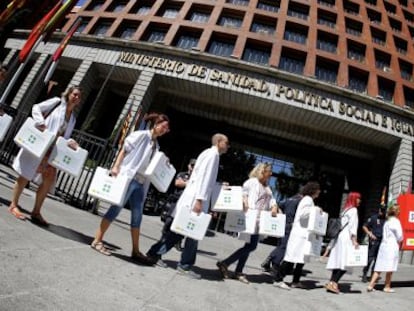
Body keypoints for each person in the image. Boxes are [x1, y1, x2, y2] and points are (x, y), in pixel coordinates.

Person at [90, 113, 170, 265]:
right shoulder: (141, 135)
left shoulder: (156, 145)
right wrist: (116, 166)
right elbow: (124, 149)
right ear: (156, 124)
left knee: (137, 216)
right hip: (130, 178)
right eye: (163, 126)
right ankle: (97, 240)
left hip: (140, 183)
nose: (164, 130)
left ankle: (135, 250)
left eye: (166, 129)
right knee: (116, 208)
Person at [8, 86, 82, 226]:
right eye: (75, 94)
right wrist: (40, 123)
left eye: (79, 96)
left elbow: (64, 136)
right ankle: (13, 205)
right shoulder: (56, 102)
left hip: (52, 150)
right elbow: (36, 108)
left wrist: (71, 142)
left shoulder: (72, 118)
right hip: (40, 143)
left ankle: (36, 212)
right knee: (25, 174)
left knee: (48, 179)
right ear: (69, 94)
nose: (77, 98)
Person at [172, 133, 229, 279]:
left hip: (197, 197)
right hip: (197, 199)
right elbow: (204, 179)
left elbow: (204, 179)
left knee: (180, 231)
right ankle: (184, 266)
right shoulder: (213, 156)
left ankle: (155, 253)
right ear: (219, 142)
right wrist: (199, 200)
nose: (228, 146)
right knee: (192, 233)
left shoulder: (209, 153)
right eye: (226, 143)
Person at [216, 163, 279, 284]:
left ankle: (238, 271)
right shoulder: (252, 182)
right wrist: (244, 200)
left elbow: (272, 200)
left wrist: (275, 206)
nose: (271, 174)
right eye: (269, 171)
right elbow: (243, 191)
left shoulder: (267, 187)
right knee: (251, 246)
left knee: (248, 246)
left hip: (260, 220)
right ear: (262, 171)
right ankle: (225, 263)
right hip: (251, 218)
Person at [146, 158, 196, 267]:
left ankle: (155, 253)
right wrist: (189, 183)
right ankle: (155, 255)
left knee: (175, 234)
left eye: (195, 166)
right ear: (188, 166)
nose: (193, 168)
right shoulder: (183, 174)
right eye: (192, 165)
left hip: (184, 209)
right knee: (166, 233)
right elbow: (178, 183)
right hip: (174, 207)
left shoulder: (196, 178)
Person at [273, 181, 321, 290]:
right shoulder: (307, 200)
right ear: (313, 190)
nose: (320, 191)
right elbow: (303, 214)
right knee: (291, 258)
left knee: (301, 259)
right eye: (318, 189)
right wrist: (316, 209)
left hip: (303, 234)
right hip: (299, 234)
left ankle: (295, 281)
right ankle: (278, 279)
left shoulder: (309, 200)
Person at [325, 191, 361, 294]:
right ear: (354, 199)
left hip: (340, 237)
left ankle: (331, 282)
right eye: (358, 198)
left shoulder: (345, 210)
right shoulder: (353, 210)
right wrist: (354, 241)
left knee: (338, 261)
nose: (359, 200)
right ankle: (334, 283)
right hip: (346, 238)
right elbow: (352, 227)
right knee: (346, 262)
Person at [261, 190, 303, 272]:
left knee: (280, 244)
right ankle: (274, 264)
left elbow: (278, 205)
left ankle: (270, 260)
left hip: (283, 223)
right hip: (291, 225)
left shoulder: (289, 199)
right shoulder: (300, 201)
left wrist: (281, 214)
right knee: (284, 246)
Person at [367, 204, 403, 293]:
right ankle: (387, 286)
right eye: (399, 210)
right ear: (396, 212)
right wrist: (401, 240)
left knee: (379, 266)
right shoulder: (396, 221)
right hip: (392, 245)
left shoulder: (387, 221)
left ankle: (371, 285)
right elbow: (400, 236)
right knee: (390, 267)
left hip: (383, 245)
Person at [361, 206, 386, 282]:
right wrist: (369, 234)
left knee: (377, 259)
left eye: (383, 211)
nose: (381, 212)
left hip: (382, 241)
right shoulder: (373, 218)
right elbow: (364, 226)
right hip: (374, 240)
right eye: (381, 211)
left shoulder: (387, 220)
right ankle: (364, 274)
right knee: (370, 258)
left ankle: (373, 275)